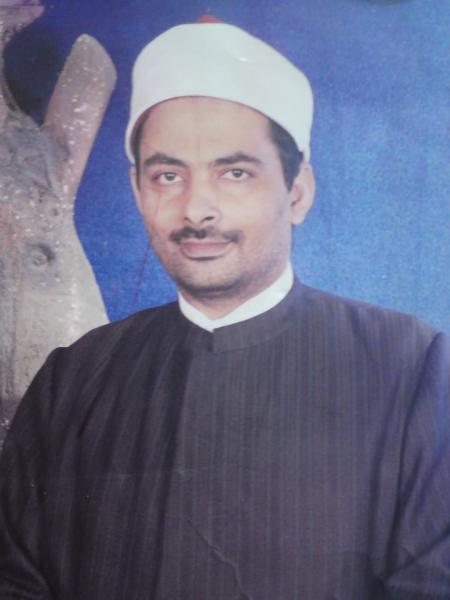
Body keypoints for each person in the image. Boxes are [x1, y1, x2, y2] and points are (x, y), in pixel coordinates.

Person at [1, 20, 449, 600]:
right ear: (138, 192)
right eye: (168, 175)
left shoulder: (410, 368)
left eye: (234, 173)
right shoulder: (74, 379)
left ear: (297, 192)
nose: (197, 208)